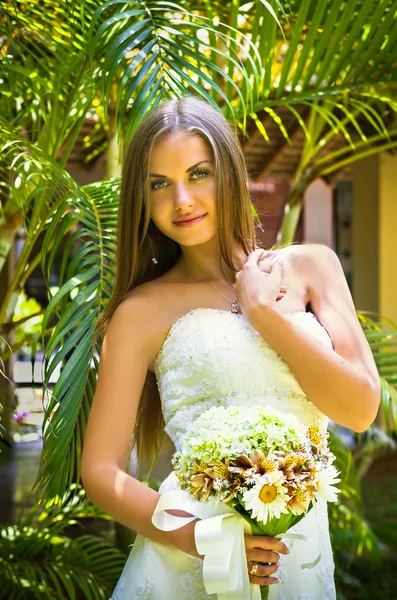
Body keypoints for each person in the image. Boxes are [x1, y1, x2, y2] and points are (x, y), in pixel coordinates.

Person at [81, 95, 381, 600]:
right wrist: (201, 539)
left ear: (229, 172)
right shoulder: (139, 312)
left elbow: (359, 408)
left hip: (301, 556)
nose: (182, 200)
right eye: (159, 184)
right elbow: (99, 470)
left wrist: (264, 314)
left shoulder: (311, 267)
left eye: (198, 173)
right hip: (189, 558)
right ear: (141, 196)